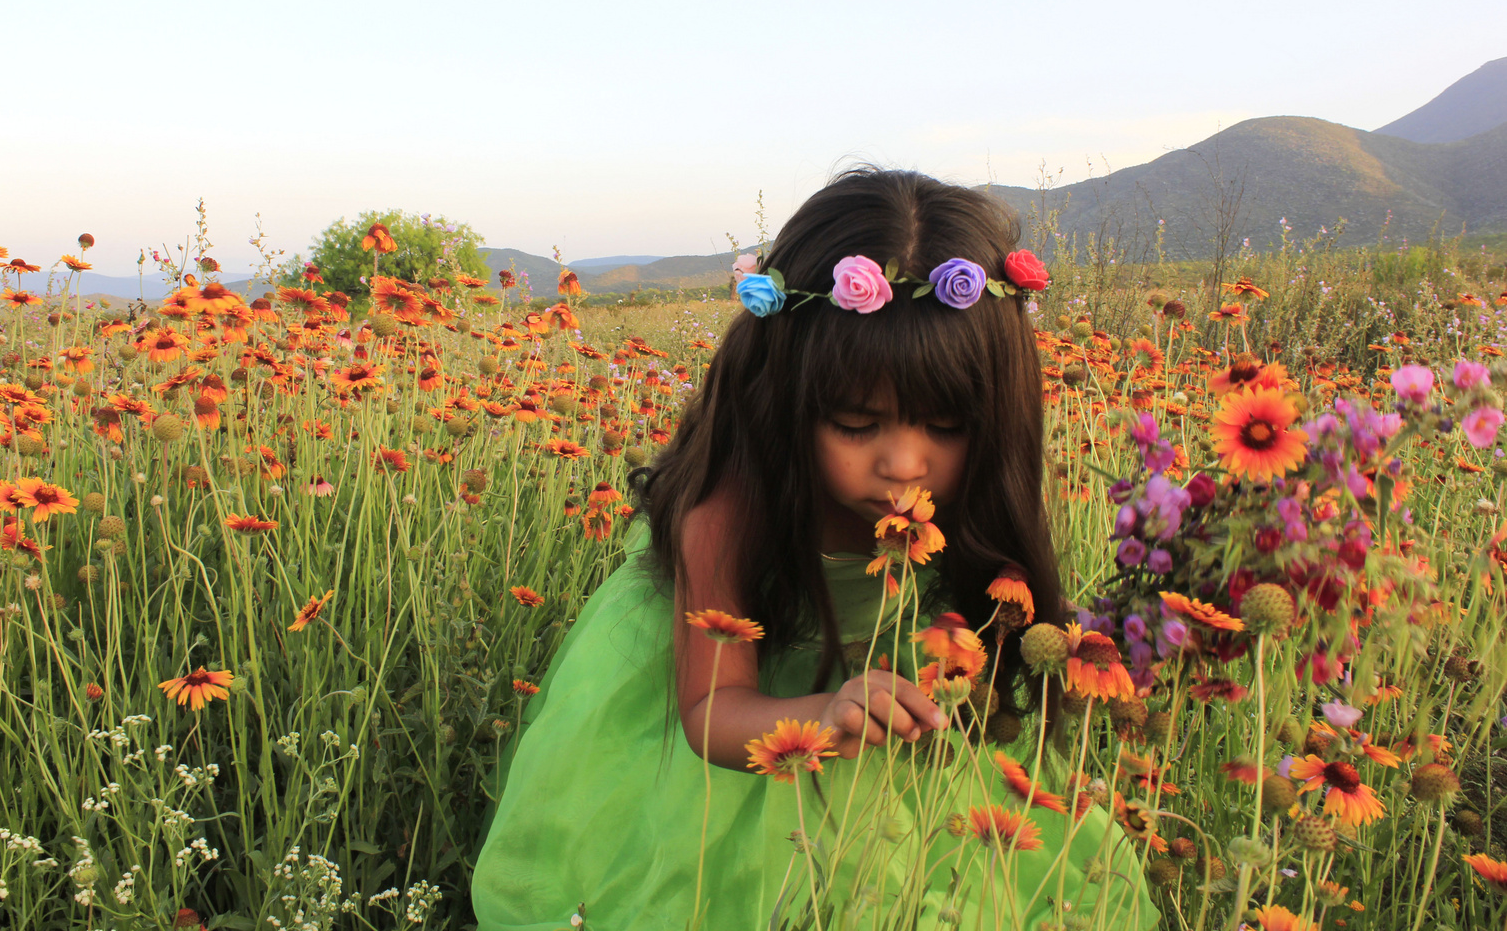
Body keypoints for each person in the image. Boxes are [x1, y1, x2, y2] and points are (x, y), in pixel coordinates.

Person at [471, 167, 1159, 930]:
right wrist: (826, 717)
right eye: (858, 426)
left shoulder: (978, 504)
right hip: (749, 734)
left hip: (903, 721)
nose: (903, 465)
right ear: (787, 393)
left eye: (947, 426)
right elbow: (711, 711)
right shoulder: (727, 511)